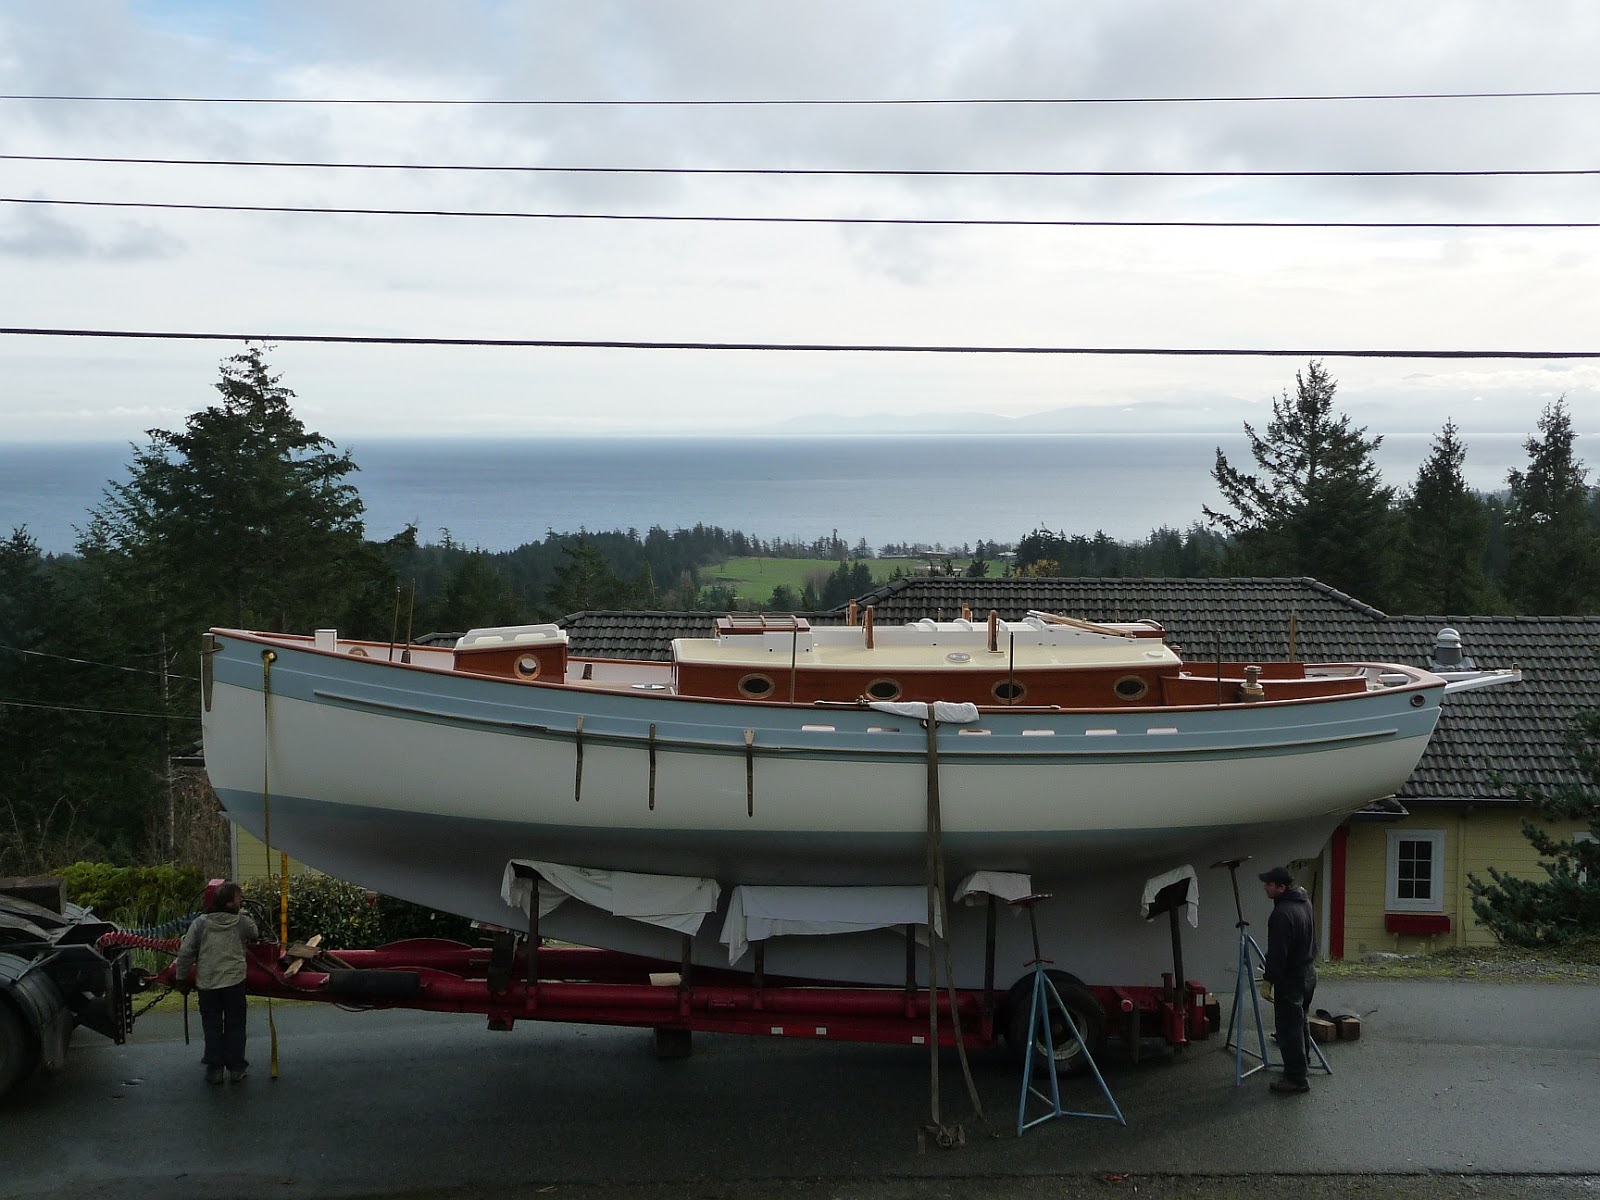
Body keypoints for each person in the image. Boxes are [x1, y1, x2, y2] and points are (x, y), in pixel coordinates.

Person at [173, 881, 259, 1084]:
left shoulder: (201, 923)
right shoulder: (241, 921)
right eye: (239, 898)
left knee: (212, 1026)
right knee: (236, 1025)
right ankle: (237, 1068)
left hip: (208, 983)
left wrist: (181, 978)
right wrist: (245, 913)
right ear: (230, 903)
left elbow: (186, 953)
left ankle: (215, 1069)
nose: (242, 901)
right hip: (234, 982)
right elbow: (255, 933)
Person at [1259, 864, 1317, 1095]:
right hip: (1308, 972)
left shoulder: (1281, 915)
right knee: (1300, 1021)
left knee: (1288, 1028)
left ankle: (1295, 1078)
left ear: (1281, 887)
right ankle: (1302, 1065)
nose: (1265, 887)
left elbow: (1277, 953)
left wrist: (1268, 980)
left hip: (1291, 977)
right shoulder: (1305, 903)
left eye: (1269, 884)